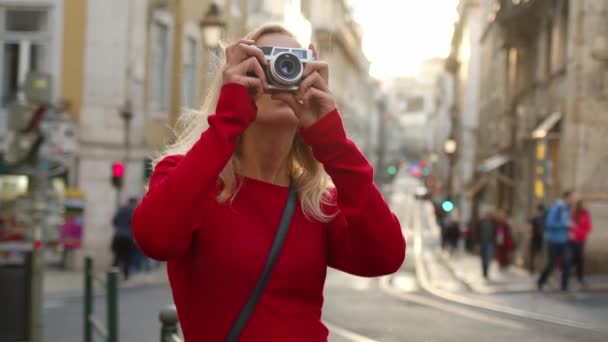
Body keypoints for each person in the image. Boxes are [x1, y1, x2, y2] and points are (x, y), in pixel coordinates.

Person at [132, 24, 405, 342]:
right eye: (264, 63)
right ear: (236, 77)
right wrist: (228, 119)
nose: (281, 73)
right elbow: (154, 238)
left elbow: (386, 255)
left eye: (294, 64)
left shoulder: (314, 202)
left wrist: (331, 139)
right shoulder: (191, 178)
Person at [538, 191, 575, 291]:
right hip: (554, 240)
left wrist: (570, 231)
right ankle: (541, 281)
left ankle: (564, 287)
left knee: (567, 262)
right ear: (566, 198)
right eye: (572, 197)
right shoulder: (556, 208)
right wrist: (565, 225)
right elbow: (550, 224)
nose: (573, 200)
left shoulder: (567, 210)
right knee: (551, 264)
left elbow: (567, 223)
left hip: (564, 240)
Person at [112, 197, 138, 280]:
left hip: (118, 236)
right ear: (134, 202)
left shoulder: (121, 209)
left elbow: (114, 221)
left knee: (117, 256)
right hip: (127, 237)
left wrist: (119, 227)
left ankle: (113, 275)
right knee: (127, 257)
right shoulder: (133, 210)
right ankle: (126, 275)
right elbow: (134, 223)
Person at [569, 200, 592, 286]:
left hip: (581, 239)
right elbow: (571, 226)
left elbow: (589, 227)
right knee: (575, 258)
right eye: (584, 204)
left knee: (580, 259)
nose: (586, 206)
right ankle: (570, 272)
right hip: (574, 239)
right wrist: (574, 233)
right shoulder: (574, 214)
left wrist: (581, 232)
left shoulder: (586, 214)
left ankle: (580, 278)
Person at [528, 204, 546, 274]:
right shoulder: (538, 218)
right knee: (535, 254)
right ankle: (534, 268)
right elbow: (531, 227)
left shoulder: (538, 218)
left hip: (538, 237)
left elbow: (530, 227)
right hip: (537, 237)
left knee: (536, 254)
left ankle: (535, 268)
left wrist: (530, 233)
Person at [478, 210, 496, 278]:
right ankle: (484, 270)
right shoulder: (481, 222)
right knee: (483, 257)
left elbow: (495, 233)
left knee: (488, 257)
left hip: (490, 243)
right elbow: (478, 232)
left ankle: (487, 269)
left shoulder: (493, 223)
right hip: (483, 242)